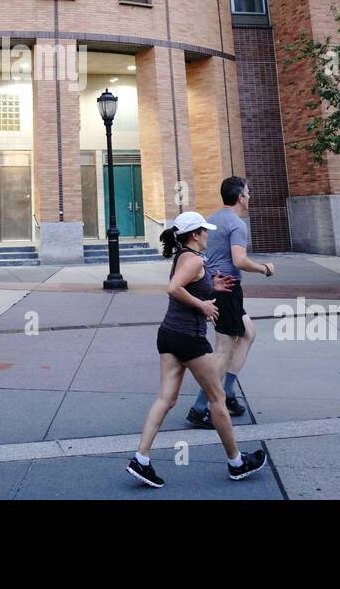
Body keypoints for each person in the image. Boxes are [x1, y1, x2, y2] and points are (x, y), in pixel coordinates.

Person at [126, 210, 267, 488]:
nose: (208, 235)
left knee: (166, 398)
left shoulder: (186, 258)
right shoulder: (191, 259)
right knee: (217, 399)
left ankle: (140, 459)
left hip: (169, 335)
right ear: (194, 234)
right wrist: (203, 305)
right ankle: (236, 463)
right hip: (189, 338)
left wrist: (210, 287)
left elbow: (188, 285)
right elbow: (174, 287)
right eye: (204, 230)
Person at [186, 176, 275, 429]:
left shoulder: (212, 219)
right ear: (240, 197)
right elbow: (239, 260)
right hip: (227, 288)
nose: (250, 196)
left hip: (216, 286)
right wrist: (264, 268)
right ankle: (201, 407)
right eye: (248, 192)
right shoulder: (237, 223)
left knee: (248, 333)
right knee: (224, 348)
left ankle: (228, 392)